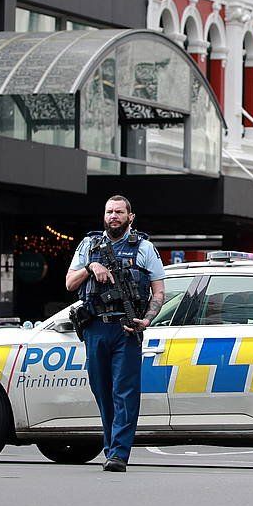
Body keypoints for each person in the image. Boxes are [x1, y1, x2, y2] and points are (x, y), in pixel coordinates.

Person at [65, 195, 166, 472]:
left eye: (119, 212)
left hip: (126, 328)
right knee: (102, 391)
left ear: (130, 217)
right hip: (95, 327)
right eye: (109, 211)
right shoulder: (89, 245)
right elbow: (70, 284)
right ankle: (111, 448)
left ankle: (119, 454)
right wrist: (90, 267)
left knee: (125, 392)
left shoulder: (144, 248)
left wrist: (146, 319)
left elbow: (158, 291)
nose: (113, 216)